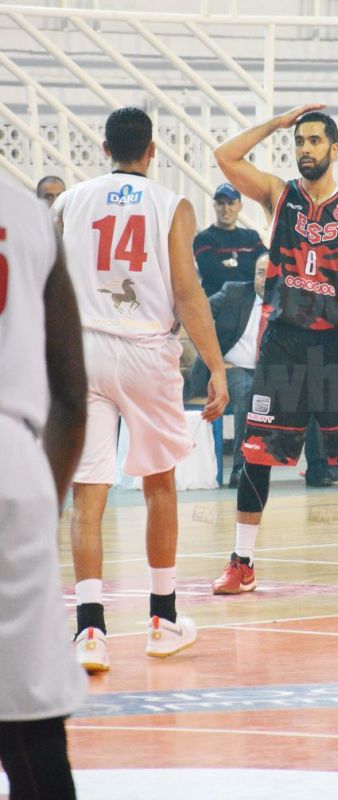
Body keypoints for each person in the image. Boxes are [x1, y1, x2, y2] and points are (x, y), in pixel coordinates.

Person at [211, 104, 338, 595]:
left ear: (334, 148)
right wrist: (277, 123)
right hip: (285, 343)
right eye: (299, 141)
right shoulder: (278, 195)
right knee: (256, 453)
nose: (305, 148)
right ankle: (242, 563)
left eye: (314, 140)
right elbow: (225, 156)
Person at [54, 107, 229, 672]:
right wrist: (216, 366)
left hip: (84, 349)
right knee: (158, 484)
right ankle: (161, 620)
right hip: (146, 350)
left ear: (105, 148)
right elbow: (187, 291)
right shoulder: (172, 204)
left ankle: (89, 632)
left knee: (88, 494)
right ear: (152, 151)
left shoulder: (68, 202)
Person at [0, 173, 87, 799]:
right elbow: (72, 394)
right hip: (13, 459)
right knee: (29, 725)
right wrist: (38, 502)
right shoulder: (28, 214)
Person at [185, 252, 269, 488]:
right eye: (260, 273)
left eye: (270, 274)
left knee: (315, 385)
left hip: (268, 373)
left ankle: (323, 467)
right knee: (247, 389)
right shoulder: (234, 293)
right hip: (228, 369)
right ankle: (242, 469)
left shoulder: (287, 303)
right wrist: (214, 359)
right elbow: (196, 315)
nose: (264, 280)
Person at [193, 182, 268, 297]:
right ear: (214, 206)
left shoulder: (251, 237)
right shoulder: (203, 239)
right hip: (217, 304)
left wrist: (230, 265)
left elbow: (268, 265)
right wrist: (250, 267)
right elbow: (213, 274)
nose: (226, 208)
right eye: (221, 203)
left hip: (249, 303)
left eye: (231, 203)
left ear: (240, 206)